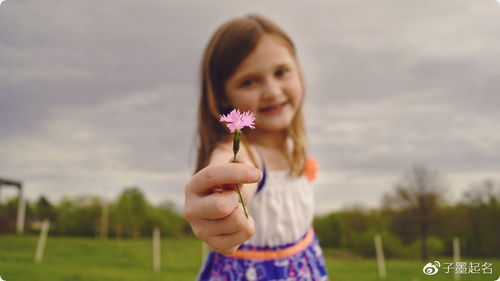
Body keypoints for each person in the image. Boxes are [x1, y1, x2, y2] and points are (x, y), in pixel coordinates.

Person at [183, 14, 329, 281]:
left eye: (281, 72)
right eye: (249, 81)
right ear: (224, 95)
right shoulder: (243, 149)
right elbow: (231, 170)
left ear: (299, 70)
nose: (272, 91)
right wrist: (220, 201)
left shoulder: (292, 145)